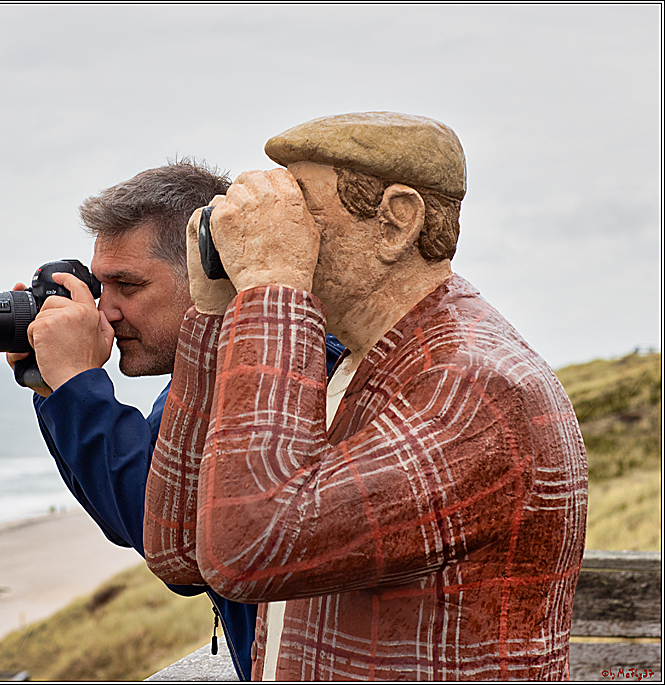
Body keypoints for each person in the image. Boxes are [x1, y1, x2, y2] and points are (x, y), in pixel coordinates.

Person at [144, 113, 588, 680]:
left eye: (301, 210)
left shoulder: (476, 389)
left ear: (397, 222)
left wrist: (272, 290)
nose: (277, 231)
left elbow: (248, 546)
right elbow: (180, 549)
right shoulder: (360, 363)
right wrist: (212, 314)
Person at [6, 160, 345, 680]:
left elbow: (171, 540)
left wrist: (77, 385)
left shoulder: (289, 372)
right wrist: (51, 386)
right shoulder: (204, 371)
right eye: (101, 287)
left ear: (213, 272)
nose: (106, 311)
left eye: (128, 286)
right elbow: (140, 519)